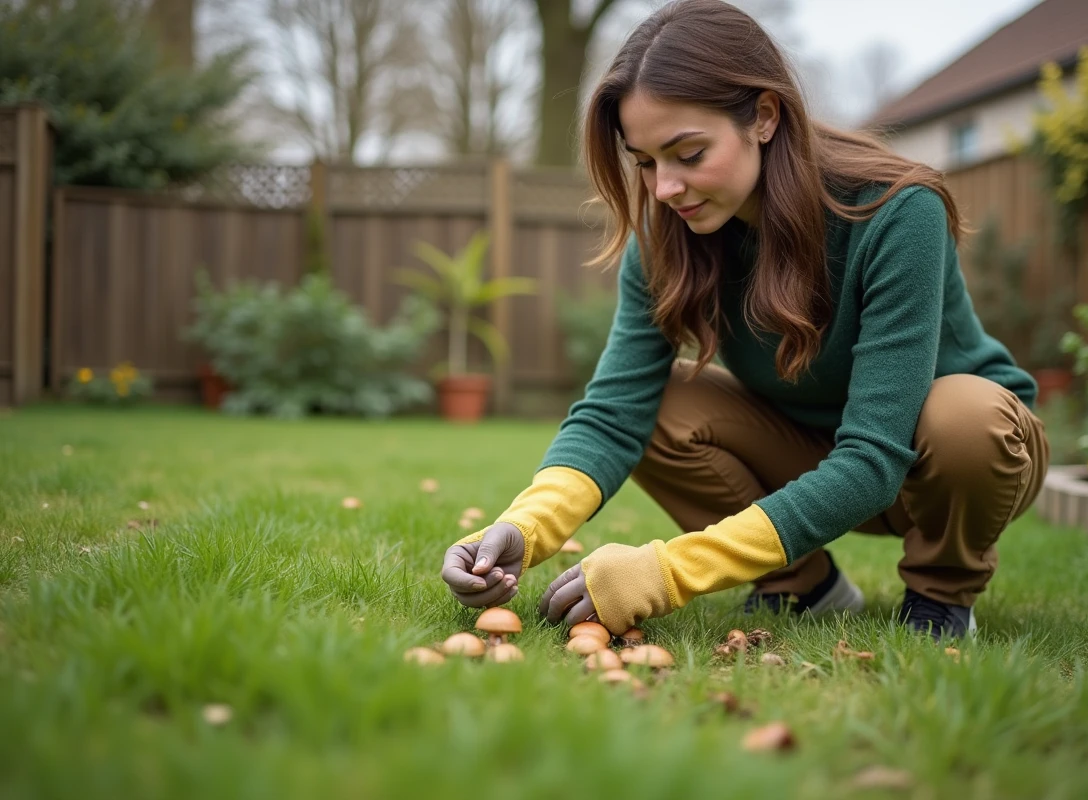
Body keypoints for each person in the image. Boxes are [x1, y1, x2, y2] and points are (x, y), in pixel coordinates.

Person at [440, 0, 1049, 642]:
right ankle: (803, 587)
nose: (664, 188)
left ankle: (941, 597)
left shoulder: (898, 212)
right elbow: (614, 411)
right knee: (660, 400)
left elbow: (874, 454)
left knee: (965, 418)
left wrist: (669, 571)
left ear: (763, 116)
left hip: (947, 461)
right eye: (645, 162)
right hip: (812, 450)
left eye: (688, 153)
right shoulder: (667, 234)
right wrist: (523, 528)